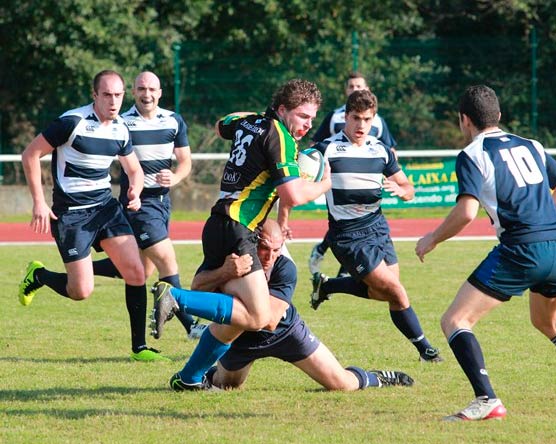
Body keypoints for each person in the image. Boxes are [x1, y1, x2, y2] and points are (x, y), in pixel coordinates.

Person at [415, 85, 556, 421]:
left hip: (522, 248)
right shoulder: (532, 145)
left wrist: (432, 238)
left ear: (464, 120)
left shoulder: (472, 154)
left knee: (455, 320)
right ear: (499, 116)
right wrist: (543, 224)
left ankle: (486, 400)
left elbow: (466, 212)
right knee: (548, 322)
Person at [149, 79, 332, 389]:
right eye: (303, 116)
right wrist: (325, 183)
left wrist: (262, 115)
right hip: (239, 227)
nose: (308, 124)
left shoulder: (250, 122)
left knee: (235, 319)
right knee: (259, 316)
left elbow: (223, 124)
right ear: (284, 109)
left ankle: (190, 379)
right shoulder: (281, 138)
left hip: (219, 223)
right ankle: (175, 297)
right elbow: (293, 195)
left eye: (312, 118)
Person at [18, 70, 167, 361]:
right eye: (107, 95)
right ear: (95, 95)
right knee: (81, 291)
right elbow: (30, 154)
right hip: (71, 215)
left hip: (105, 209)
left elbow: (133, 169)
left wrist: (135, 191)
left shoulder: (121, 128)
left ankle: (139, 348)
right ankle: (39, 275)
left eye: (119, 95)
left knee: (136, 272)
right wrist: (38, 202)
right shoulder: (71, 122)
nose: (114, 101)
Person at [168, 219, 414, 391]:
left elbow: (269, 319)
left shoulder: (285, 267)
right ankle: (197, 376)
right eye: (263, 248)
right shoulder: (234, 257)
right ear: (252, 241)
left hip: (285, 332)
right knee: (227, 386)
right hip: (241, 336)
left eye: (276, 250)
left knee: (341, 385)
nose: (269, 257)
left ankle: (376, 378)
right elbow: (198, 286)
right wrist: (223, 272)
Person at [309, 89, 442, 363]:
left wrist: (401, 189)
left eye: (367, 119)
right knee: (396, 291)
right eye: (356, 118)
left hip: (378, 227)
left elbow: (409, 188)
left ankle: (329, 286)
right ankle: (426, 350)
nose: (361, 125)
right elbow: (297, 180)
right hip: (347, 235)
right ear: (345, 117)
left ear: (374, 119)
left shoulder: (380, 149)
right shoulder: (326, 149)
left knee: (385, 293)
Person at [91, 71, 203, 340]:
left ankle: (79, 267)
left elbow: (185, 162)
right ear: (133, 92)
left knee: (141, 270)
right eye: (141, 88)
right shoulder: (121, 122)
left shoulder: (173, 121)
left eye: (152, 89)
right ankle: (192, 327)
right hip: (137, 203)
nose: (147, 94)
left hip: (164, 203)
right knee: (167, 260)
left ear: (160, 92)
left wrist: (174, 176)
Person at [309, 72, 398, 278]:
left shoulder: (378, 121)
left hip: (370, 196)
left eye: (359, 86)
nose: (356, 89)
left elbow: (390, 150)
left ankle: (335, 272)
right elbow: (315, 146)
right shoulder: (334, 117)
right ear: (346, 91)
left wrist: (390, 175)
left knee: (385, 282)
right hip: (339, 184)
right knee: (343, 218)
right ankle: (332, 260)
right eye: (351, 86)